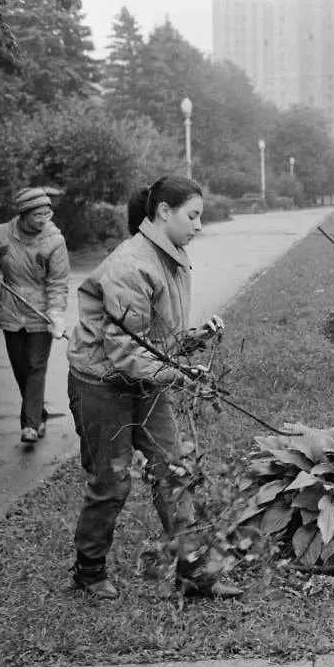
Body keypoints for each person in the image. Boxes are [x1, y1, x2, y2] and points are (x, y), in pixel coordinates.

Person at [65, 175, 239, 600]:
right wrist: (182, 373)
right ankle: (88, 572)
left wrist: (195, 337)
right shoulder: (131, 265)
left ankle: (193, 572)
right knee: (112, 479)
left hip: (143, 379)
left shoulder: (172, 256)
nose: (199, 225)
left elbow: (155, 336)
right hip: (102, 384)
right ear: (163, 212)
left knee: (175, 469)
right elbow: (125, 352)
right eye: (193, 215)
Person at [0, 187, 69, 445]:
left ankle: (29, 425)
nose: (45, 219)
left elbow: (58, 282)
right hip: (10, 310)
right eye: (39, 214)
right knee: (21, 369)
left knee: (35, 367)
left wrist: (57, 313)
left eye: (47, 213)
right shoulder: (2, 233)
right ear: (23, 214)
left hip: (41, 313)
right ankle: (38, 413)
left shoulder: (55, 241)